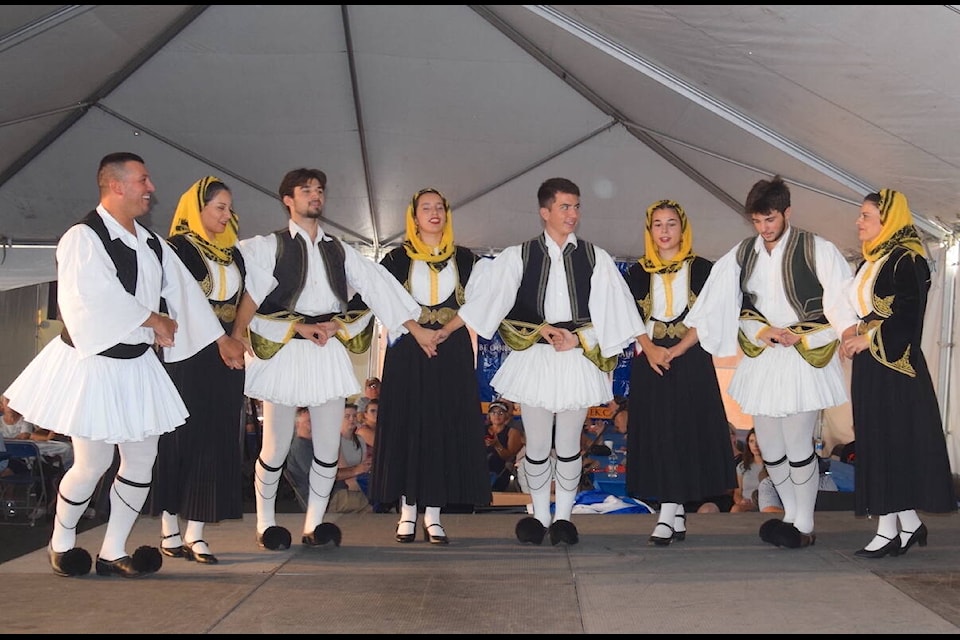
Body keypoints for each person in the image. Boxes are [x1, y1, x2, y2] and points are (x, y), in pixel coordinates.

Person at [2, 152, 226, 578]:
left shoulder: (152, 243)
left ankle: (112, 550)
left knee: (142, 460)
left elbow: (184, 293)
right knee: (92, 463)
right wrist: (153, 319)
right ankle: (62, 542)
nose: (151, 188)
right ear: (116, 185)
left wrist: (220, 340)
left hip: (137, 366)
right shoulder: (82, 238)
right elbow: (93, 297)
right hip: (95, 365)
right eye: (144, 180)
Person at [231, 167, 430, 551]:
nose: (315, 196)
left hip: (325, 350)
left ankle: (314, 525)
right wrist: (248, 334)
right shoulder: (266, 246)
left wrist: (411, 328)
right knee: (274, 445)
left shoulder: (340, 250)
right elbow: (249, 295)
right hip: (285, 349)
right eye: (306, 190)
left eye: (319, 190)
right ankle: (266, 524)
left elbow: (376, 287)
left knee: (327, 447)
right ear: (288, 199)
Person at [439, 177, 644, 545]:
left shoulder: (595, 256)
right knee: (534, 444)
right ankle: (539, 514)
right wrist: (447, 329)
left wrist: (579, 338)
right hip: (535, 355)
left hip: (575, 357)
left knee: (568, 444)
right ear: (544, 211)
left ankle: (564, 519)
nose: (573, 214)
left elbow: (617, 311)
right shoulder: (519, 255)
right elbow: (491, 302)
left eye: (577, 206)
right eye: (565, 206)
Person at [686, 174, 857, 549]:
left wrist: (809, 335)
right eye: (757, 221)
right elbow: (725, 302)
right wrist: (760, 332)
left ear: (787, 212)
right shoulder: (742, 253)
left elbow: (841, 305)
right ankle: (790, 514)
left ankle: (803, 520)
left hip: (802, 357)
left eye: (770, 220)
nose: (763, 228)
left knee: (798, 445)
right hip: (763, 358)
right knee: (769, 445)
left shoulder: (818, 249)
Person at [371, 187, 492, 545]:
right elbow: (382, 298)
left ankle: (434, 515)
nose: (434, 213)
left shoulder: (467, 260)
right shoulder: (395, 260)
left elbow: (484, 300)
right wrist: (417, 330)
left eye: (439, 207)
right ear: (414, 217)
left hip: (450, 350)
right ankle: (407, 514)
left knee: (442, 428)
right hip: (410, 350)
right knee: (410, 426)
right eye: (426, 208)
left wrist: (448, 329)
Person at [838, 190, 956, 558]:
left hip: (895, 366)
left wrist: (867, 339)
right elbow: (864, 314)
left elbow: (908, 317)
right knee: (876, 441)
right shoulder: (869, 262)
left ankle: (888, 528)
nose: (859, 222)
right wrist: (852, 335)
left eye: (867, 216)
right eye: (860, 216)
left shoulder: (909, 260)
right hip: (872, 366)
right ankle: (908, 523)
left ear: (888, 220)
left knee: (892, 442)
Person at [622, 199, 737, 545]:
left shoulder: (703, 269)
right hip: (652, 360)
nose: (664, 231)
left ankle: (668, 513)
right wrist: (652, 348)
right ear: (649, 230)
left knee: (685, 436)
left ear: (682, 228)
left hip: (690, 360)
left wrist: (679, 348)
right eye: (657, 224)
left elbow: (711, 316)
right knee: (659, 437)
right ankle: (674, 512)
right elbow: (629, 317)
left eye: (671, 224)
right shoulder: (638, 272)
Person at [149, 176, 250, 566]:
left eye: (229, 208)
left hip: (227, 356)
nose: (227, 214)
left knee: (217, 439)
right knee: (181, 439)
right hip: (186, 356)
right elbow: (179, 305)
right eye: (219, 207)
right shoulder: (175, 249)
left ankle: (197, 531)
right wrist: (219, 340)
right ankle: (169, 526)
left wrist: (237, 337)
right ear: (198, 208)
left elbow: (247, 300)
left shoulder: (235, 254)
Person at [731, 428, 783, 513]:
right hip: (747, 505)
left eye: (758, 441)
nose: (755, 445)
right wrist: (741, 501)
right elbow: (737, 493)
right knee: (736, 509)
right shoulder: (742, 466)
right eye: (751, 441)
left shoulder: (774, 466)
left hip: (767, 503)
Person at [485, 398, 525, 491]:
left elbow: (509, 457)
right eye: (493, 413)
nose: (497, 415)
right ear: (489, 416)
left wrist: (497, 445)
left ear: (506, 416)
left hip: (501, 469)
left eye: (501, 413)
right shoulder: (481, 429)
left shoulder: (513, 432)